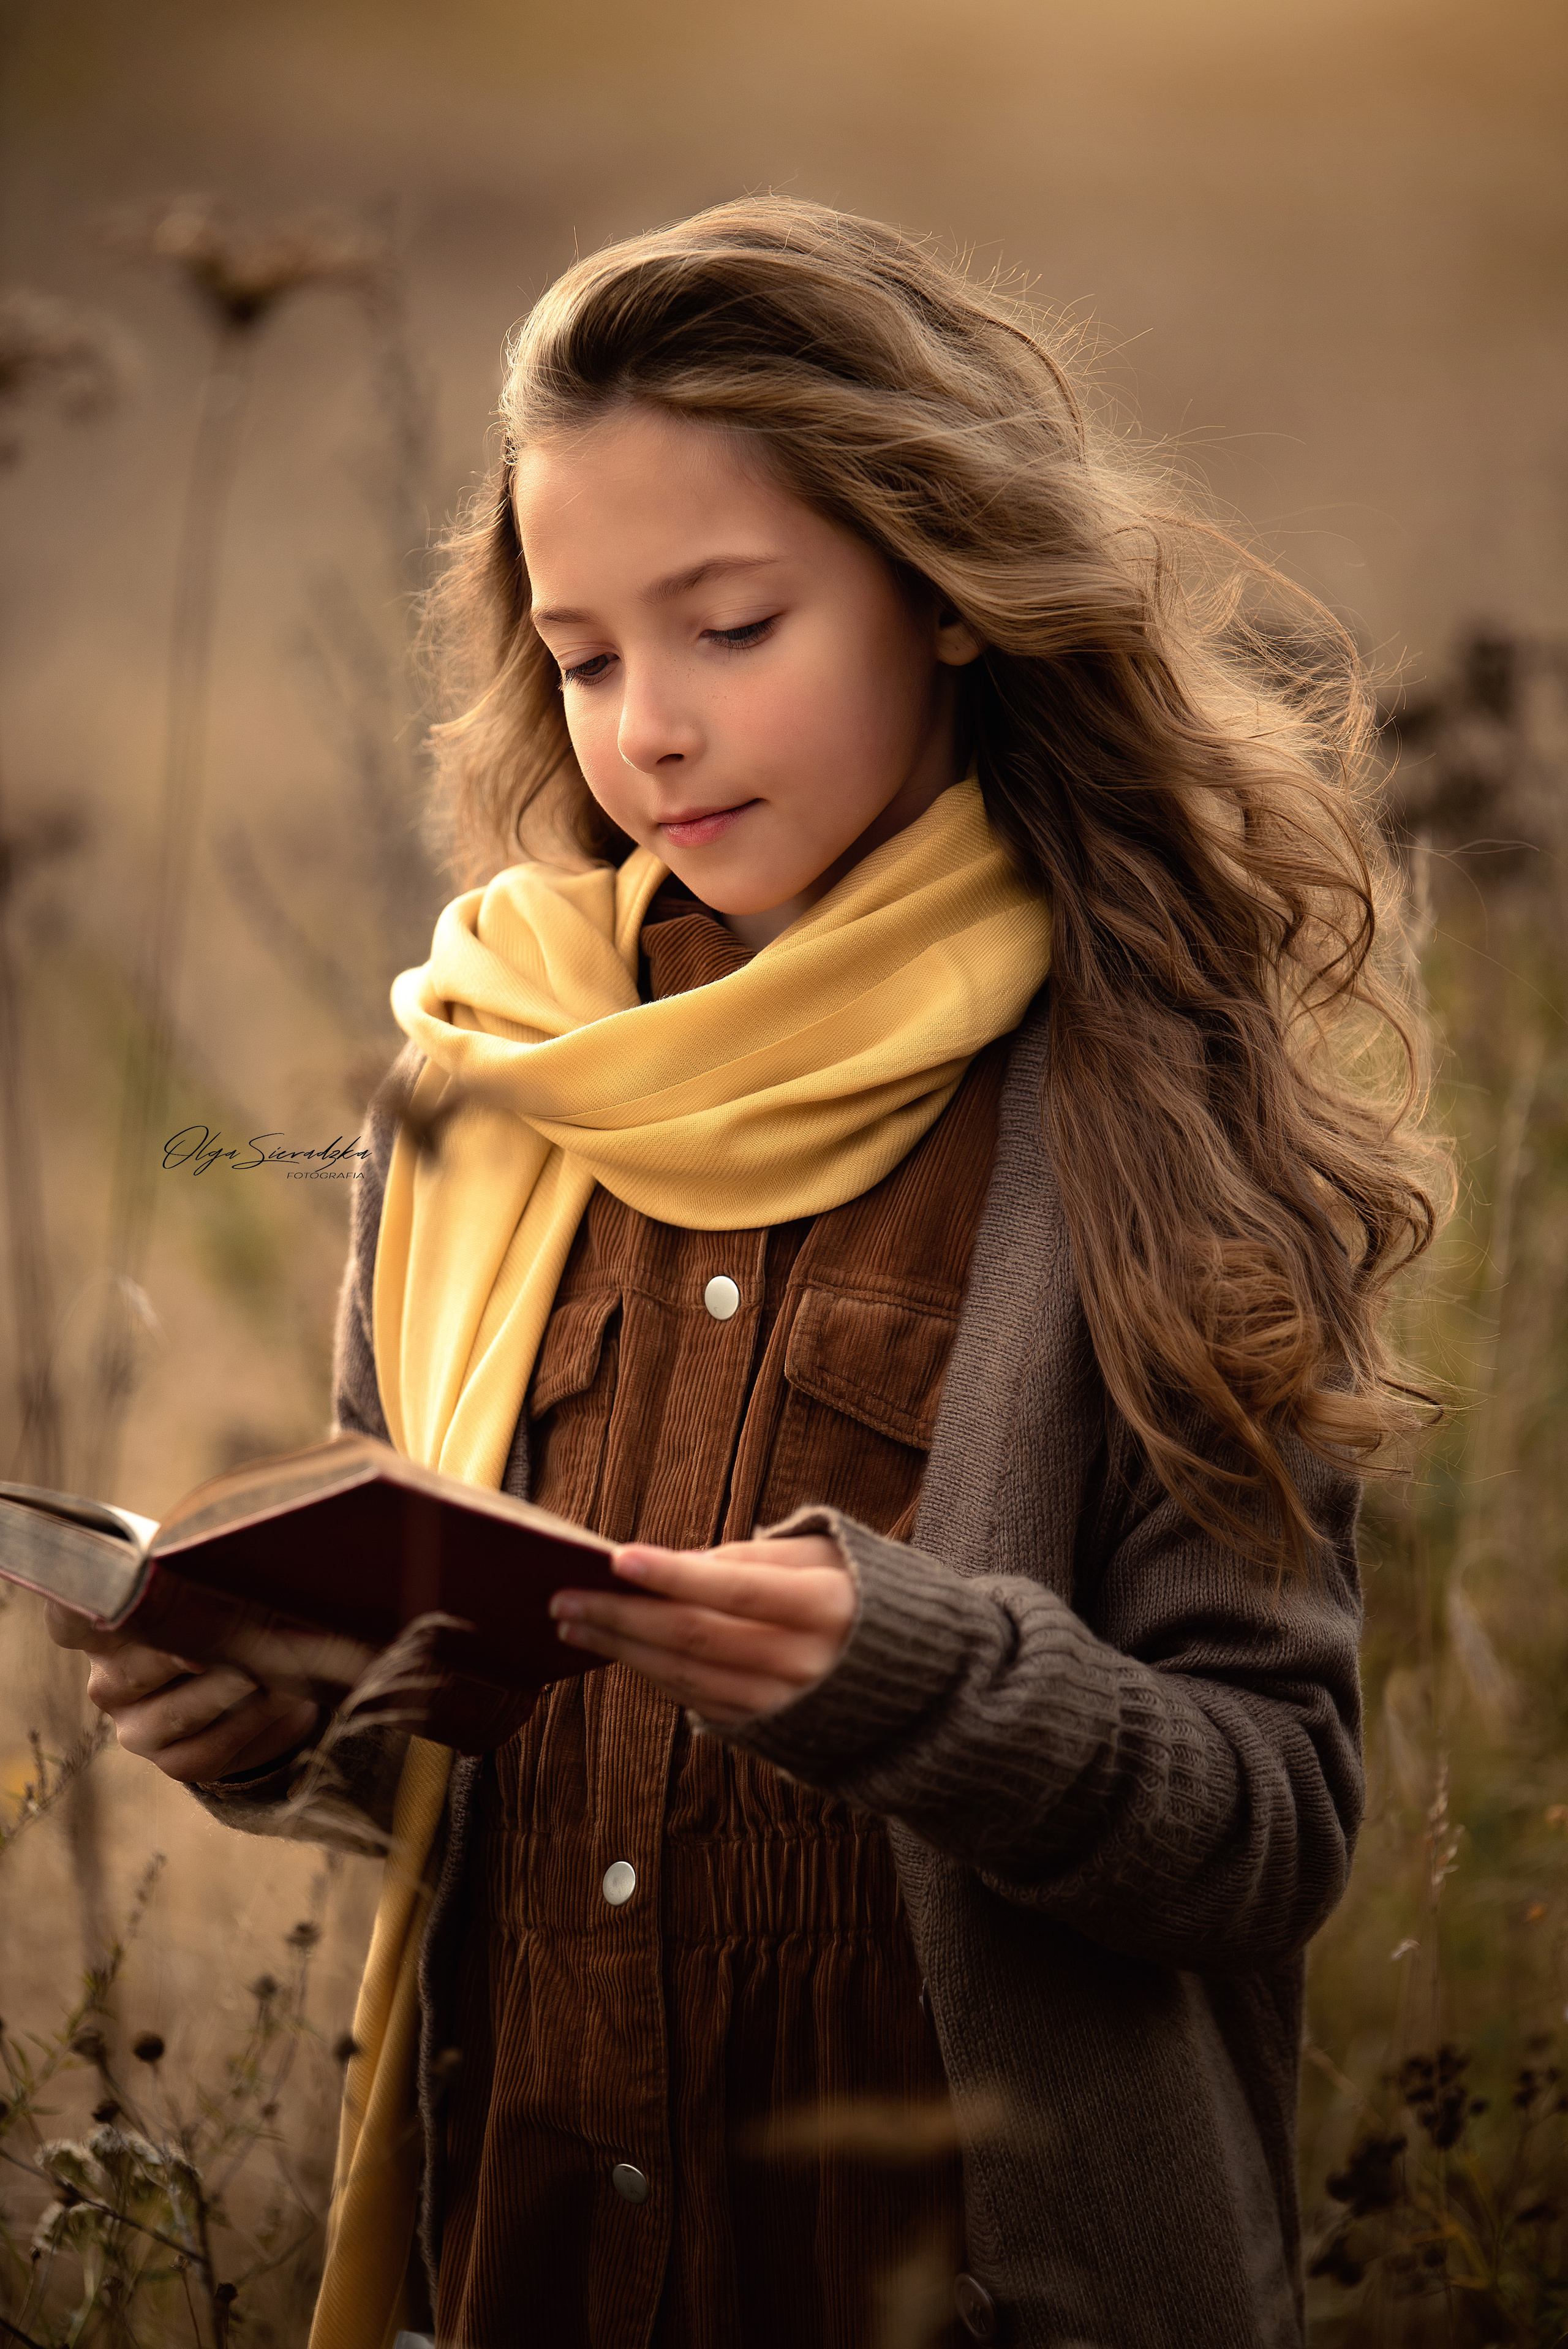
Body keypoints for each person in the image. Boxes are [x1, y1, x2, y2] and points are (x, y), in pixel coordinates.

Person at [53, 197, 1448, 2349]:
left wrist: (917, 1681)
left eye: (730, 626)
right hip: (524, 2267)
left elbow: (1268, 1826)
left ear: (945, 591)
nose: (651, 732)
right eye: (588, 655)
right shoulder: (488, 1080)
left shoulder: (1160, 1113)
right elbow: (456, 1746)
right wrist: (273, 1713)